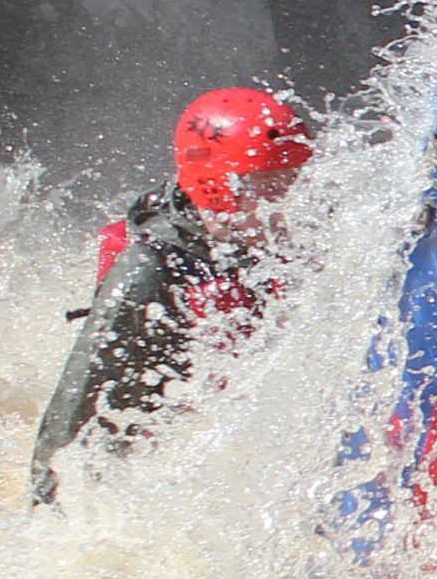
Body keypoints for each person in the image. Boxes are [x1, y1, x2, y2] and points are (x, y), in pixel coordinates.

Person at [30, 87, 313, 502]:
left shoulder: (254, 235)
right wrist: (46, 503)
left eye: (290, 182)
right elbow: (75, 404)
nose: (285, 202)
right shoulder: (147, 272)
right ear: (216, 186)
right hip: (158, 444)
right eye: (268, 185)